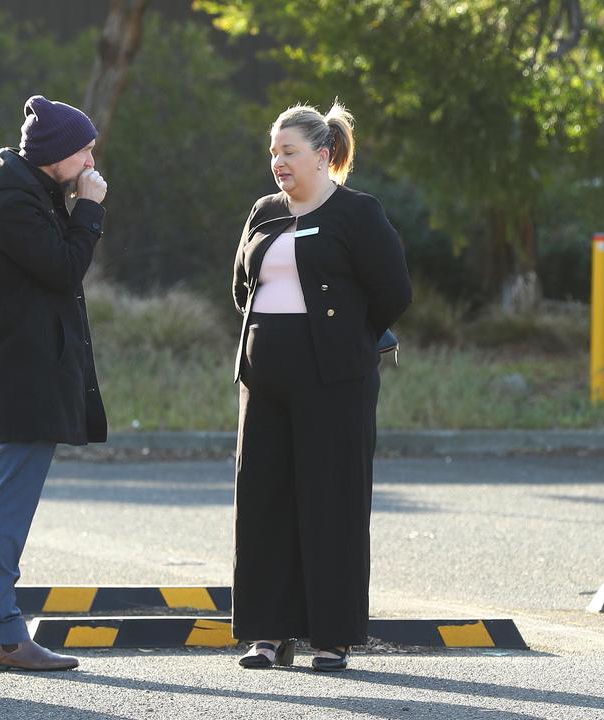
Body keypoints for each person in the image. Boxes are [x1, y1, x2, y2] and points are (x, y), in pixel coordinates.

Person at [231, 102, 411, 672]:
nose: (278, 162)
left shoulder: (357, 212)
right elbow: (242, 286)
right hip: (264, 378)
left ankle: (332, 637)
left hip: (334, 378)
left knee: (330, 502)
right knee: (263, 501)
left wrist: (350, 341)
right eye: (273, 153)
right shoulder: (263, 211)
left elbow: (392, 291)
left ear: (324, 154)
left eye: (289, 152)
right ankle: (267, 633)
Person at [0, 95, 109, 672]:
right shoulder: (12, 201)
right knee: (7, 500)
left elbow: (51, 267)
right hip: (25, 369)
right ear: (58, 153)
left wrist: (72, 205)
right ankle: (0, 633)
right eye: (86, 149)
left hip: (20, 363)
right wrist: (89, 210)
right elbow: (64, 268)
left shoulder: (23, 192)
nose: (93, 160)